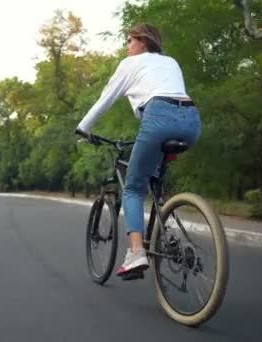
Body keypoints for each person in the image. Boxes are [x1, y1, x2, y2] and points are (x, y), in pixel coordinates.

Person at [75, 23, 201, 278]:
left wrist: (83, 128)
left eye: (129, 40)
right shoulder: (171, 62)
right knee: (153, 176)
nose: (126, 46)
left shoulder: (129, 64)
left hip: (158, 118)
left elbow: (105, 99)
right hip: (191, 121)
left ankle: (135, 253)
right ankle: (165, 217)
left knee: (133, 188)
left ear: (143, 41)